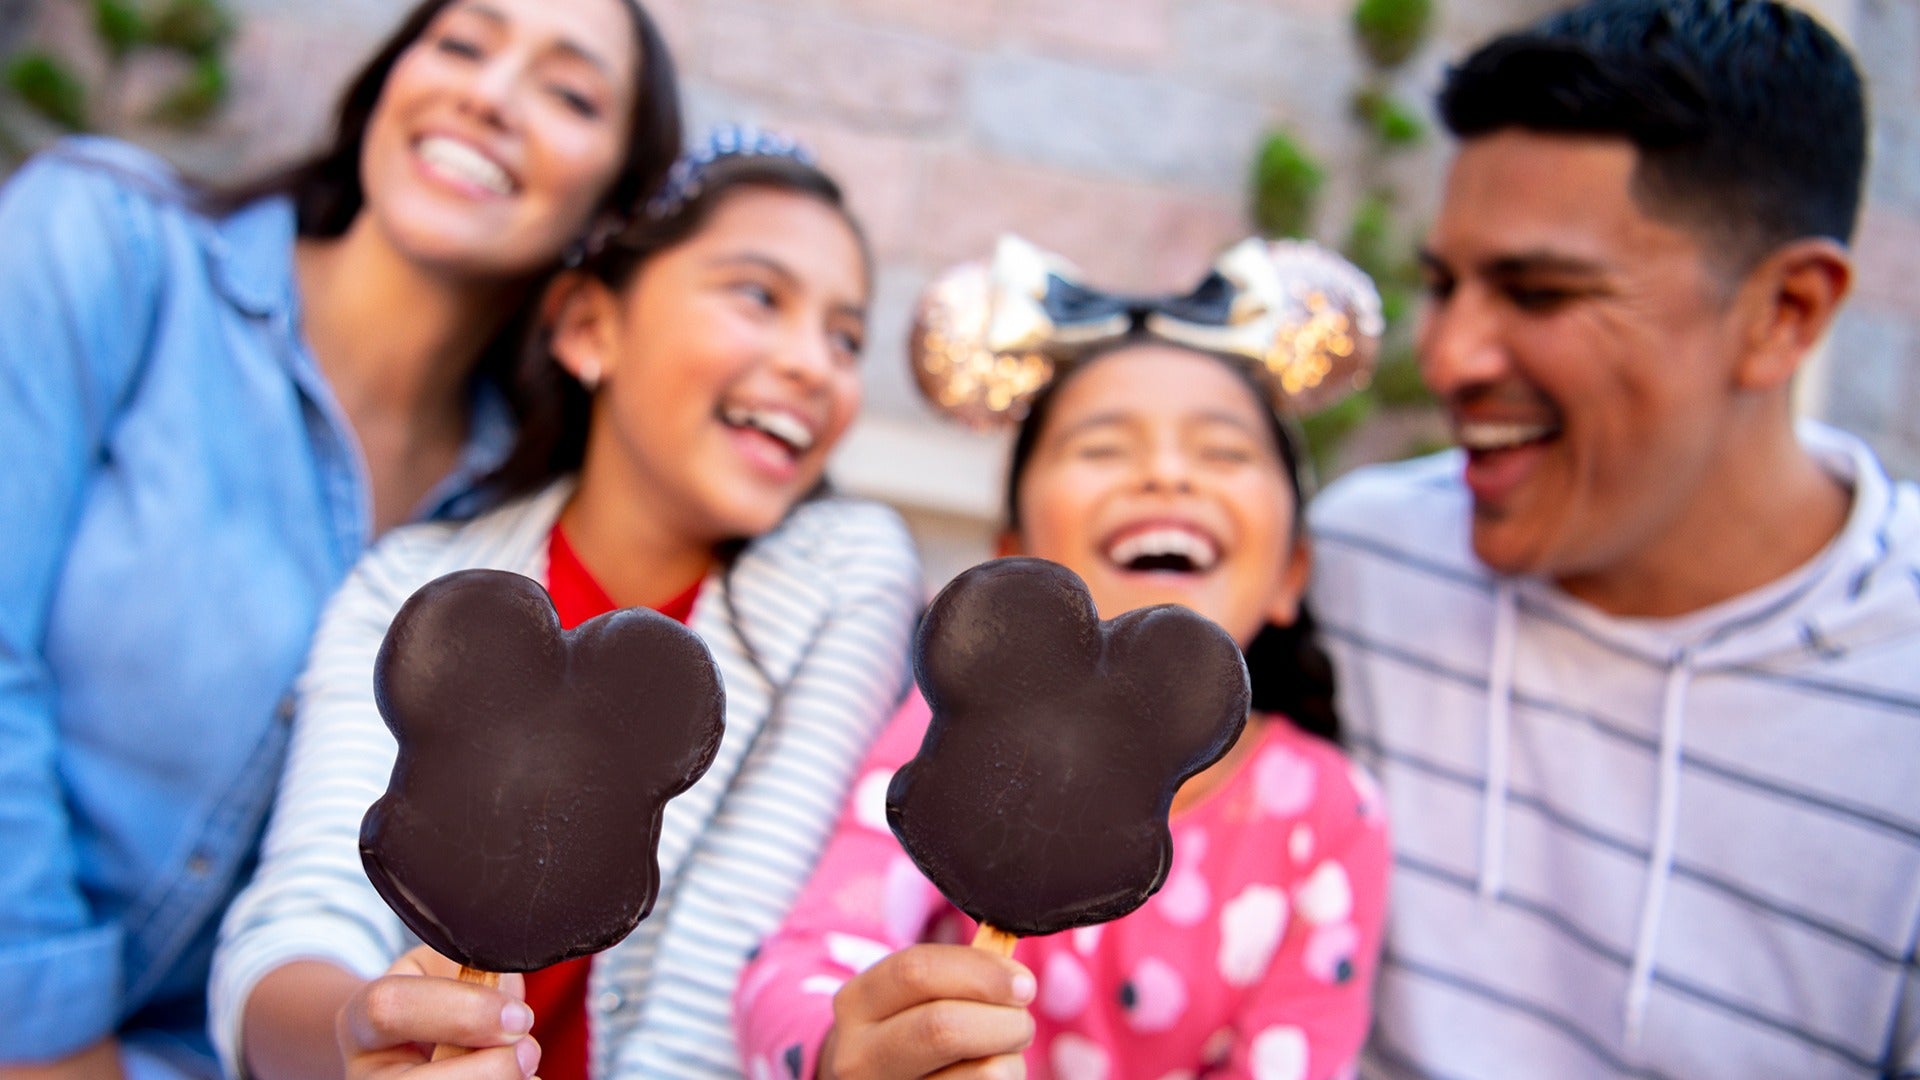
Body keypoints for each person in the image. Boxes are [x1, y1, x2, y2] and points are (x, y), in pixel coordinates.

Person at [0, 0, 680, 1074]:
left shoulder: (521, 523)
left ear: (609, 213)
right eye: (462, 44)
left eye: (568, 93)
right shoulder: (104, 242)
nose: (490, 96)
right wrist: (50, 1037)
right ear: (385, 86)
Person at [208, 127, 923, 1080]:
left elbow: (721, 967)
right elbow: (301, 921)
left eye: (846, 338)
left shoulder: (847, 578)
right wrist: (360, 1036)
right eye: (759, 295)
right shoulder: (409, 591)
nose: (815, 365)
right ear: (590, 327)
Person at [1305, 1, 1920, 1076]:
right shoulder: (1355, 564)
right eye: (1443, 285)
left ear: (1785, 311)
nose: (1446, 357)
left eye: (1540, 292)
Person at [735, 235, 1393, 1080]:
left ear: (1291, 574)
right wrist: (842, 1051)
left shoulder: (1329, 815)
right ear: (1013, 560)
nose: (1166, 475)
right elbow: (812, 953)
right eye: (1102, 448)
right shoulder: (949, 729)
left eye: (1223, 452)